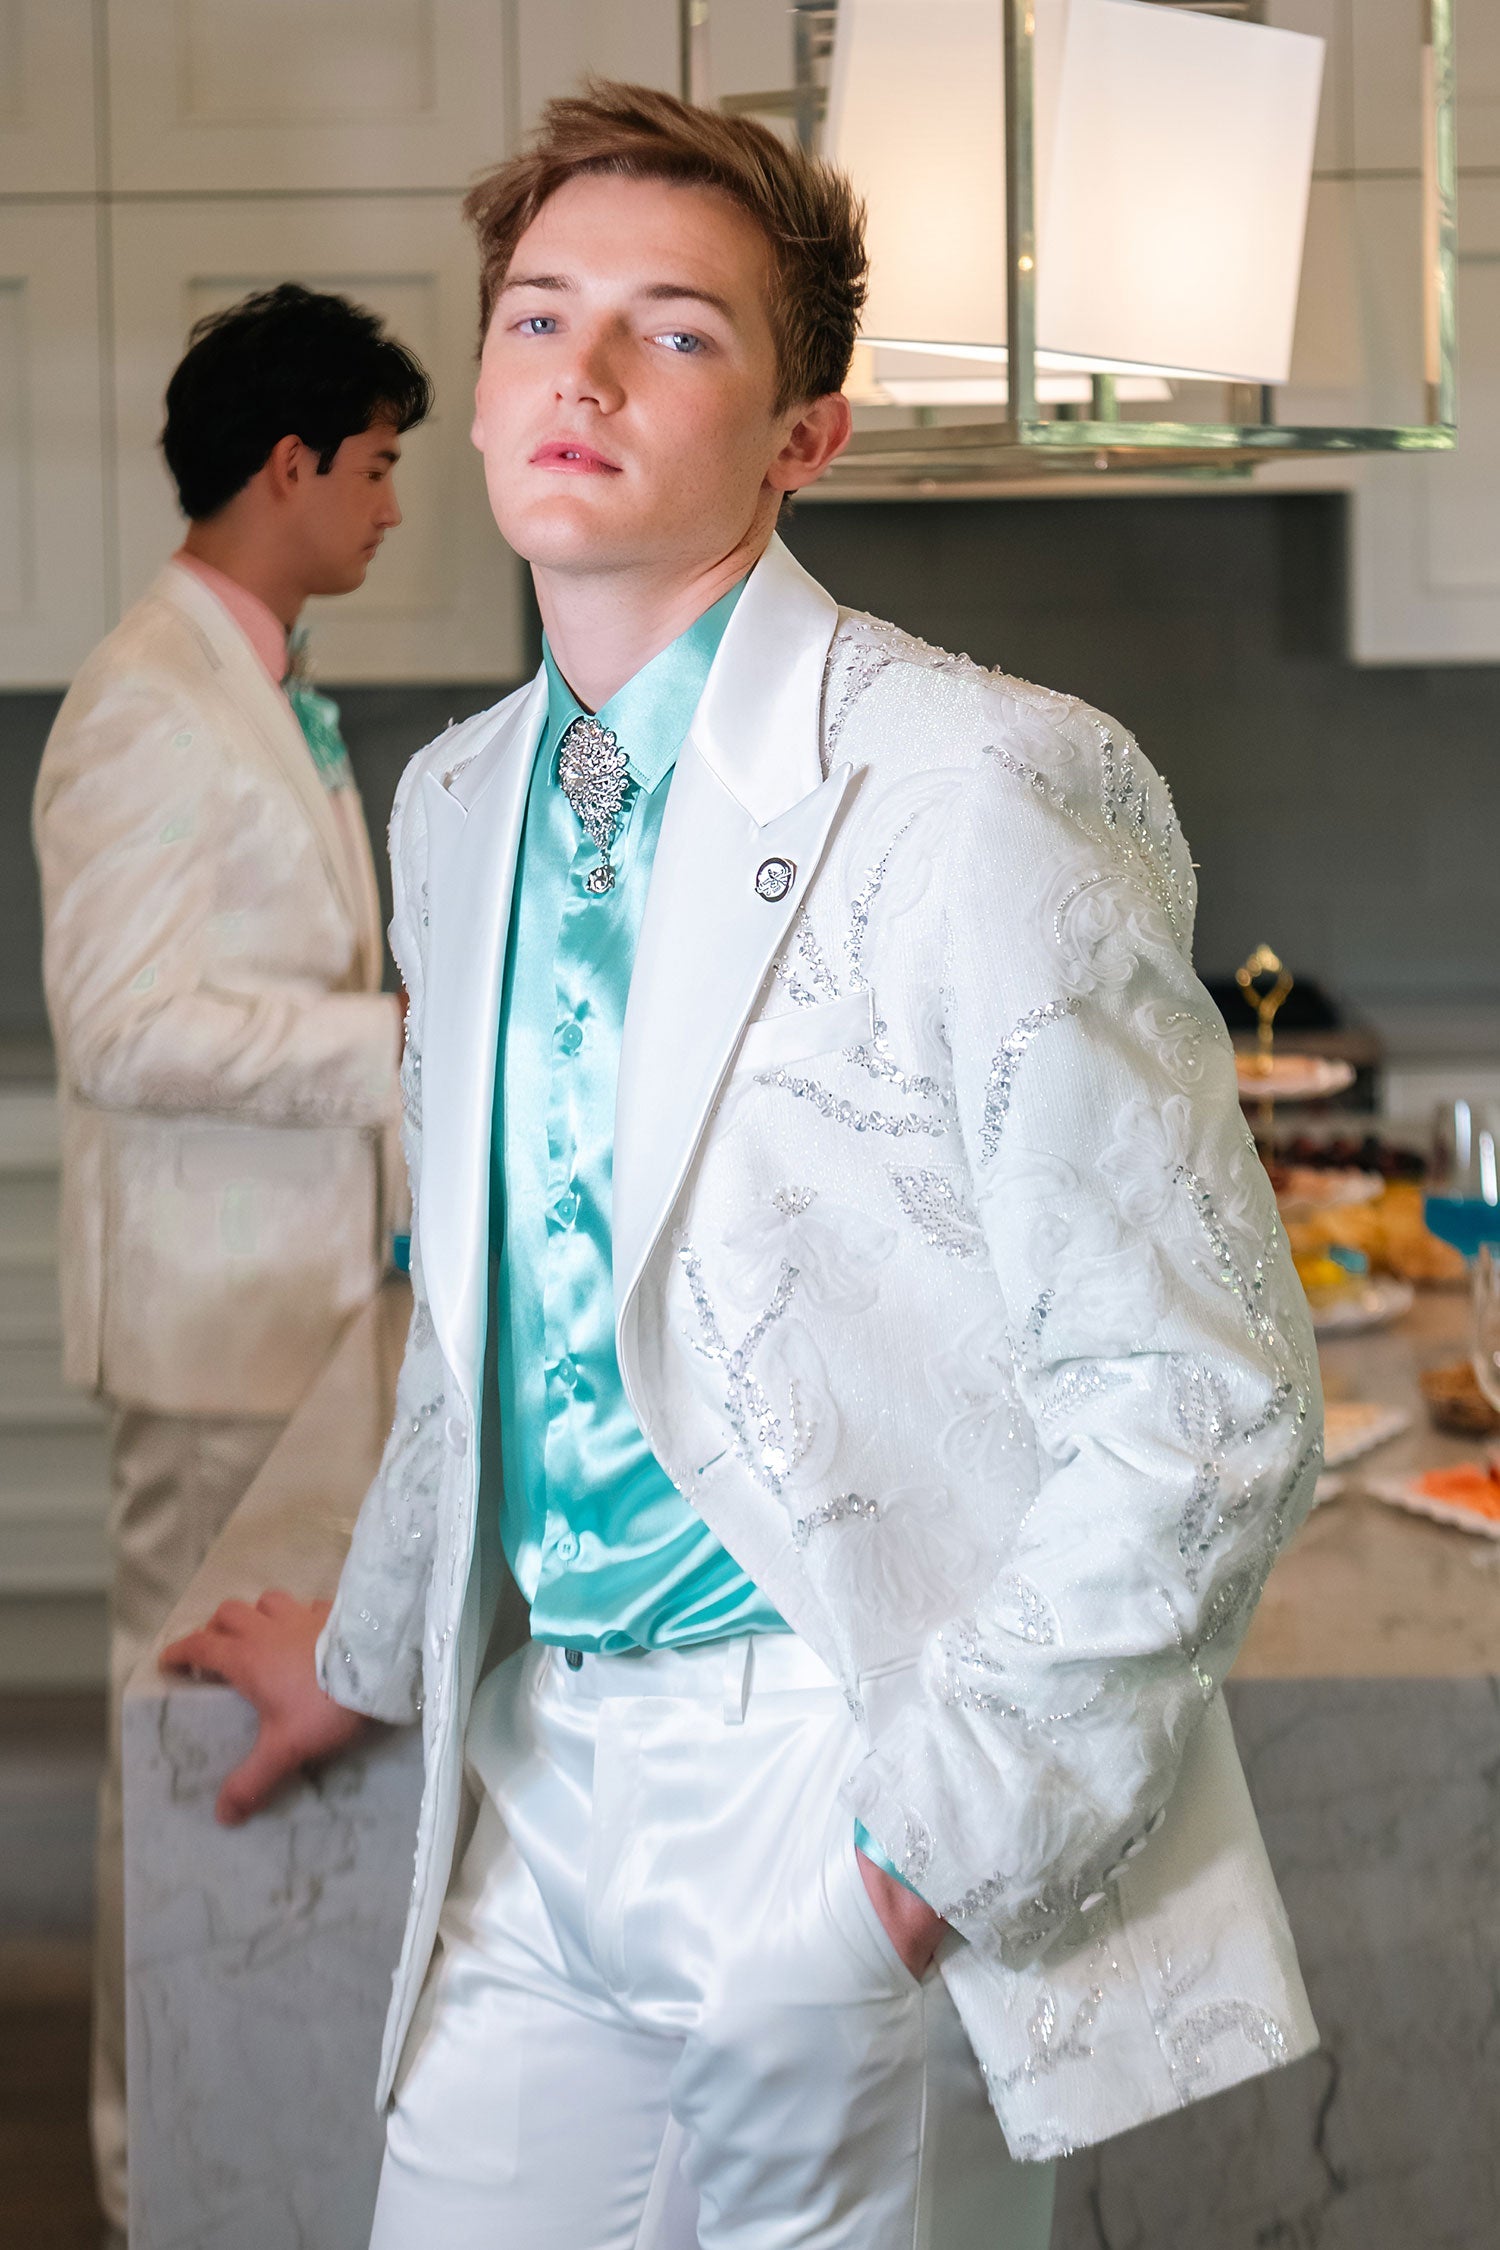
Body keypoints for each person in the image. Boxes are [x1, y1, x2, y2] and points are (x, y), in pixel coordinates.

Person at [165, 87, 1324, 2248]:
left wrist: (904, 1868)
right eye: (538, 317)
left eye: (677, 331)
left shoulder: (977, 784)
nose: (584, 374)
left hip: (840, 1760)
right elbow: (494, 1316)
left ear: (808, 436)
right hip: (543, 1765)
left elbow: (1205, 1399)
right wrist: (373, 1646)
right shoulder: (461, 804)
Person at [34, 281, 430, 2238]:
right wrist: (400, 1044)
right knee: (185, 1752)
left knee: (259, 1742)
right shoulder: (145, 701)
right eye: (376, 465)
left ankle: (250, 2159)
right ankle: (151, 2183)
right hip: (212, 1337)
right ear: (288, 465)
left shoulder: (257, 683)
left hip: (293, 1312)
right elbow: (122, 1029)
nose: (392, 506)